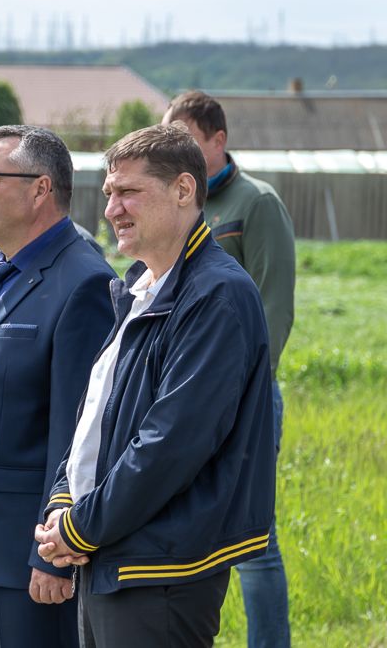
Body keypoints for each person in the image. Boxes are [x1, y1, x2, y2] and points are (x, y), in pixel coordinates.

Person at [36, 124, 276, 648]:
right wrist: (62, 500)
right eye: (109, 193)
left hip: (160, 568)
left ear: (183, 189)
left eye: (128, 192)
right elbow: (97, 417)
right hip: (110, 553)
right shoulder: (140, 288)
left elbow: (170, 444)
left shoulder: (216, 295)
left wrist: (79, 527)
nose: (111, 210)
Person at [0, 125, 114, 648]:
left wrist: (51, 555)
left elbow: (77, 439)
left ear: (40, 190)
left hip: (26, 554)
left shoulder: (83, 282)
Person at [163, 90, 295, 648]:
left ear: (219, 140)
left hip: (245, 399)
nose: (177, 151)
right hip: (187, 398)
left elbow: (273, 307)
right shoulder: (177, 204)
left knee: (254, 541)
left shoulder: (255, 203)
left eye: (187, 140)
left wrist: (244, 392)